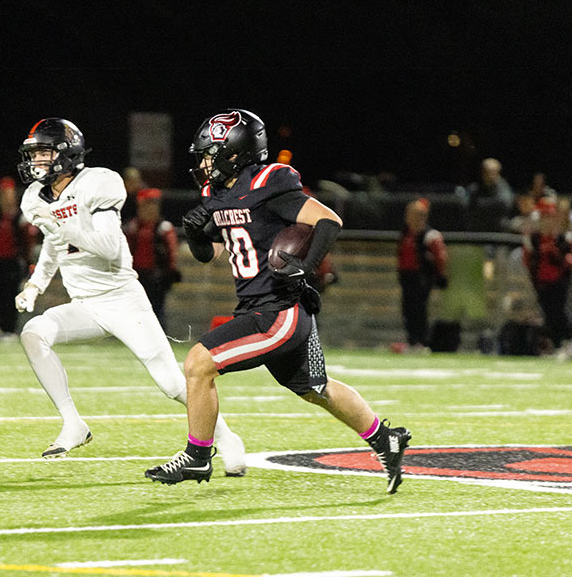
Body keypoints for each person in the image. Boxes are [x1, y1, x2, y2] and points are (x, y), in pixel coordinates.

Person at [145, 109, 411, 494]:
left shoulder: (269, 182)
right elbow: (213, 254)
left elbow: (327, 220)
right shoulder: (215, 192)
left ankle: (198, 455)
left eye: (210, 153)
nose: (203, 162)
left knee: (199, 362)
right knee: (314, 388)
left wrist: (306, 267)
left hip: (278, 310)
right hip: (260, 306)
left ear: (234, 153)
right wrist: (198, 235)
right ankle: (385, 438)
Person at [14, 117, 245, 474]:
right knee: (33, 333)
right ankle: (73, 423)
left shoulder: (98, 182)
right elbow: (53, 243)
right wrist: (35, 285)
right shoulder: (35, 197)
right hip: (86, 305)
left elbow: (107, 247)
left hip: (122, 300)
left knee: (171, 382)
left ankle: (227, 437)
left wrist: (63, 221)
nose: (37, 161)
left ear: (65, 153)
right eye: (35, 154)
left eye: (44, 152)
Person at [522, 198, 572, 359]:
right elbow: (530, 261)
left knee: (559, 313)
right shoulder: (535, 238)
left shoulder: (561, 237)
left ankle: (567, 342)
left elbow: (565, 261)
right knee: (547, 314)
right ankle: (556, 344)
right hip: (541, 282)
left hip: (559, 283)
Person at [123, 188, 181, 329]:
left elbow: (172, 253)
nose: (148, 209)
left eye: (152, 205)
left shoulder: (163, 227)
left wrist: (170, 273)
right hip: (136, 274)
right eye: (144, 205)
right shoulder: (133, 226)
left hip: (157, 275)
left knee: (157, 309)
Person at [396, 198, 449, 351]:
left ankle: (421, 341)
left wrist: (440, 276)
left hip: (421, 277)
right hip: (407, 276)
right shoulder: (405, 234)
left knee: (419, 309)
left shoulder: (430, 236)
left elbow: (440, 257)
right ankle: (412, 340)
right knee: (408, 309)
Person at [0, 177, 33, 342]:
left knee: (11, 295)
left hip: (13, 262)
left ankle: (10, 330)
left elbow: (27, 242)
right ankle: (2, 328)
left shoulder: (20, 216)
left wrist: (27, 262)